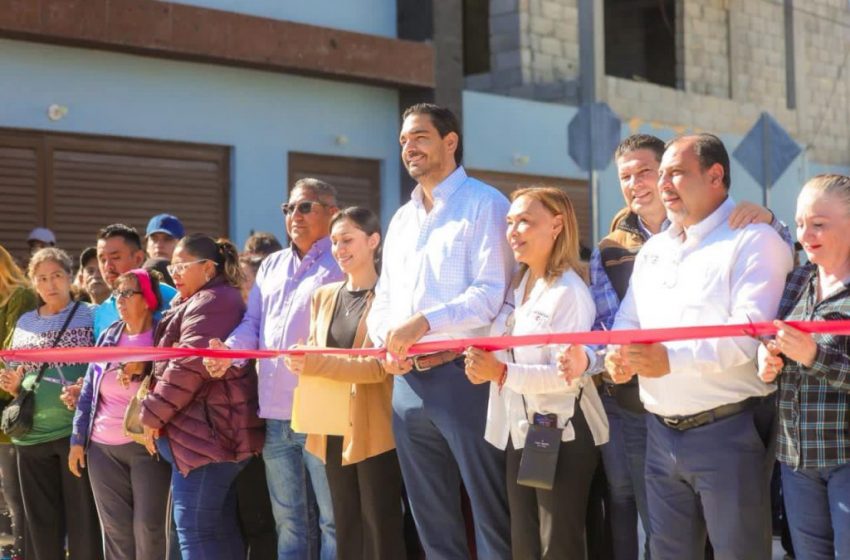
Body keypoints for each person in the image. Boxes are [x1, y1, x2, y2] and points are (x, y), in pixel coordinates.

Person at [558, 133, 793, 560]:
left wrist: (668, 358)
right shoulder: (656, 251)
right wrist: (618, 354)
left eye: (676, 173)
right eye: (660, 173)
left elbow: (747, 333)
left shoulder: (754, 240)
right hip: (659, 434)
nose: (663, 184)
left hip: (728, 432)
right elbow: (628, 320)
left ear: (716, 175)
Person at [366, 103, 513, 559]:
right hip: (408, 384)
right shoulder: (402, 219)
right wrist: (384, 340)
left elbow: (490, 292)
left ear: (450, 142)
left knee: (491, 512)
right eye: (404, 141)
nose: (409, 147)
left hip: (464, 377)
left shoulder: (486, 204)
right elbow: (384, 297)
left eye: (420, 138)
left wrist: (426, 321)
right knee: (431, 518)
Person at [464, 187, 608, 559]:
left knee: (556, 546)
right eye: (510, 222)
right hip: (520, 430)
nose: (513, 230)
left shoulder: (570, 292)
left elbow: (564, 375)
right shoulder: (521, 284)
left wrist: (500, 373)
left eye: (525, 220)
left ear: (557, 225)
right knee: (525, 545)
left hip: (563, 429)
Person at [203, 179, 342, 559]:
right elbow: (253, 324)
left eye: (305, 207)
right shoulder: (273, 265)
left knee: (332, 520)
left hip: (321, 411)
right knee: (290, 521)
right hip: (276, 414)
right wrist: (229, 352)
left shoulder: (341, 261)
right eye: (289, 208)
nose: (294, 216)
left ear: (332, 213)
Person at [284, 207, 406, 560]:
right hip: (330, 424)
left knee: (381, 527)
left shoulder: (389, 297)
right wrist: (301, 356)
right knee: (345, 524)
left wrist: (316, 361)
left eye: (348, 240)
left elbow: (377, 368)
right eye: (335, 241)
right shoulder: (324, 295)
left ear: (373, 241)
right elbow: (317, 349)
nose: (340, 249)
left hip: (375, 429)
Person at [140, 234, 264, 558]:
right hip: (203, 433)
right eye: (172, 268)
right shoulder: (196, 300)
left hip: (209, 436)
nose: (174, 274)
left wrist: (150, 416)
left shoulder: (213, 301)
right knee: (216, 529)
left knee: (194, 531)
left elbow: (187, 366)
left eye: (182, 266)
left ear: (208, 268)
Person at [758, 174, 850, 558]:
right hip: (797, 458)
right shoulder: (796, 280)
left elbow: (812, 354)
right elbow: (777, 345)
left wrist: (814, 355)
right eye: (799, 224)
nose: (805, 234)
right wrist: (768, 360)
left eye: (818, 224)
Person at [0, 248, 102, 560]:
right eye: (42, 278)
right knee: (40, 526)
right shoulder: (25, 321)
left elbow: (101, 367)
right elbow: (14, 369)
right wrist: (14, 384)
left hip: (74, 435)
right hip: (31, 435)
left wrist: (83, 385)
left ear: (70, 276)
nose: (50, 284)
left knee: (83, 521)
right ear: (33, 283)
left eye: (56, 275)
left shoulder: (90, 314)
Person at [69, 268, 172, 560]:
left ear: (148, 299)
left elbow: (174, 379)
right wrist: (78, 440)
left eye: (128, 292)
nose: (120, 300)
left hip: (146, 445)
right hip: (102, 447)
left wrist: (144, 368)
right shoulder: (108, 336)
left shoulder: (163, 334)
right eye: (117, 294)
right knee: (115, 531)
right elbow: (89, 390)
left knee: (149, 529)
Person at [0, 244, 38, 558]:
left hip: (10, 406)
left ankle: (22, 553)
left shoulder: (20, 296)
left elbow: (13, 354)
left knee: (16, 495)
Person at [94, 224, 177, 339]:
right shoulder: (102, 313)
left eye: (115, 257)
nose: (108, 267)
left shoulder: (170, 297)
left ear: (138, 258)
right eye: (102, 260)